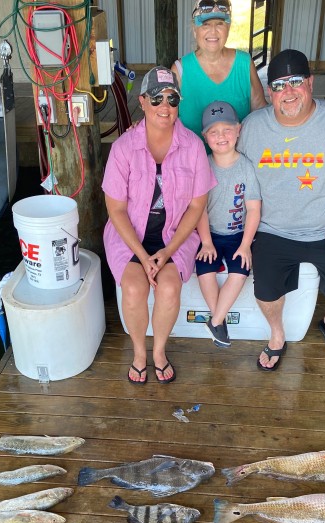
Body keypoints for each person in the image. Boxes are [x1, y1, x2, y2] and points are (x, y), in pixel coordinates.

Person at [237, 48, 325, 370]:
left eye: (295, 81)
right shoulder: (252, 127)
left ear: (311, 83)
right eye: (279, 85)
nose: (288, 92)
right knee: (266, 291)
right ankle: (277, 334)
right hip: (273, 229)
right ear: (269, 92)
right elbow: (225, 164)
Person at [102, 66, 216, 384]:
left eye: (172, 98)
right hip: (129, 237)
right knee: (135, 287)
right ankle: (139, 352)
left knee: (168, 287)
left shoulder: (193, 146)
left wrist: (166, 252)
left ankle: (159, 352)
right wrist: (141, 254)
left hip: (174, 236)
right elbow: (116, 209)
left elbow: (196, 205)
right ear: (142, 101)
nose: (164, 107)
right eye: (156, 99)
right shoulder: (124, 147)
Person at [196, 101, 261, 347]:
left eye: (227, 130)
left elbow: (254, 208)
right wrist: (205, 242)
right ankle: (219, 322)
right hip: (209, 233)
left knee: (240, 270)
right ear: (205, 136)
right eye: (213, 132)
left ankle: (216, 321)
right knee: (204, 269)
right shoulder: (202, 165)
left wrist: (245, 245)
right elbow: (198, 208)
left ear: (238, 129)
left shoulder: (246, 167)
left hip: (238, 234)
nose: (221, 136)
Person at [171, 1, 266, 138]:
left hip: (237, 156)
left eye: (220, 24)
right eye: (205, 24)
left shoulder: (244, 63)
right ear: (194, 30)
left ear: (228, 27)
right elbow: (165, 116)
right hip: (193, 157)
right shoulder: (180, 70)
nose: (213, 31)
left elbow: (260, 112)